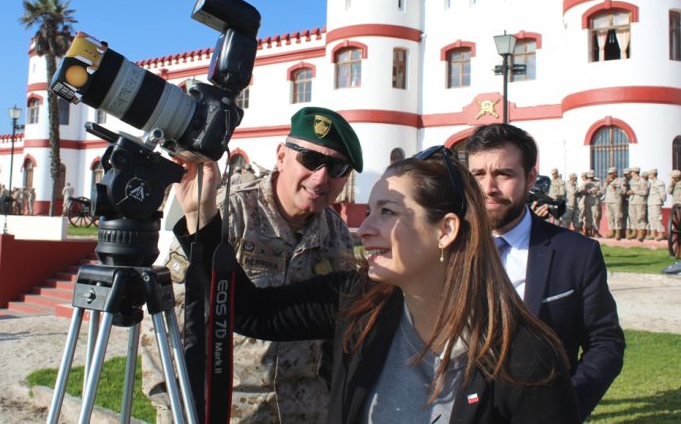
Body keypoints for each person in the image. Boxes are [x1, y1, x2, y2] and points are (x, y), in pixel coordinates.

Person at [173, 146, 579, 423]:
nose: (364, 229)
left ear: (446, 230)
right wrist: (203, 215)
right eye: (368, 212)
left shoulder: (525, 358)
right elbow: (253, 312)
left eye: (387, 213)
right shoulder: (357, 300)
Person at [141, 106, 364, 423]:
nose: (321, 177)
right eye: (311, 160)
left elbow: (338, 335)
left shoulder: (338, 236)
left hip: (306, 413)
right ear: (283, 156)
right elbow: (171, 318)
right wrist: (170, 408)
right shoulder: (225, 213)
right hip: (228, 411)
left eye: (337, 168)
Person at [465, 123, 625, 421]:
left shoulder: (576, 253)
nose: (489, 187)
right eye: (478, 174)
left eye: (504, 174)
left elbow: (605, 343)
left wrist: (564, 405)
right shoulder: (447, 249)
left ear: (530, 178)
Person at [603, 167, 626, 239]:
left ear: (615, 173)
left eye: (611, 173)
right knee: (610, 216)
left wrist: (616, 188)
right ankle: (611, 232)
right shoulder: (607, 180)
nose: (609, 175)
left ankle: (618, 232)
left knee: (617, 216)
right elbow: (602, 190)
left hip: (616, 201)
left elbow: (624, 191)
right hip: (608, 200)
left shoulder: (621, 180)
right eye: (609, 174)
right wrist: (606, 183)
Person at [626, 167, 648, 240]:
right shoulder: (631, 181)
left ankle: (641, 233)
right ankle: (634, 233)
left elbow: (645, 192)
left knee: (640, 217)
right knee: (632, 217)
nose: (630, 173)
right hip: (632, 201)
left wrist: (634, 192)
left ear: (635, 172)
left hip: (640, 202)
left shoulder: (642, 181)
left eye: (631, 172)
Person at [647, 169, 666, 240]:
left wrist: (661, 201)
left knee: (657, 218)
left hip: (656, 203)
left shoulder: (659, 182)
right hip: (651, 203)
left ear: (653, 174)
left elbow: (663, 193)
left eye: (650, 174)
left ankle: (660, 233)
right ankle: (653, 233)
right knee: (651, 218)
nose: (649, 176)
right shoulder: (652, 183)